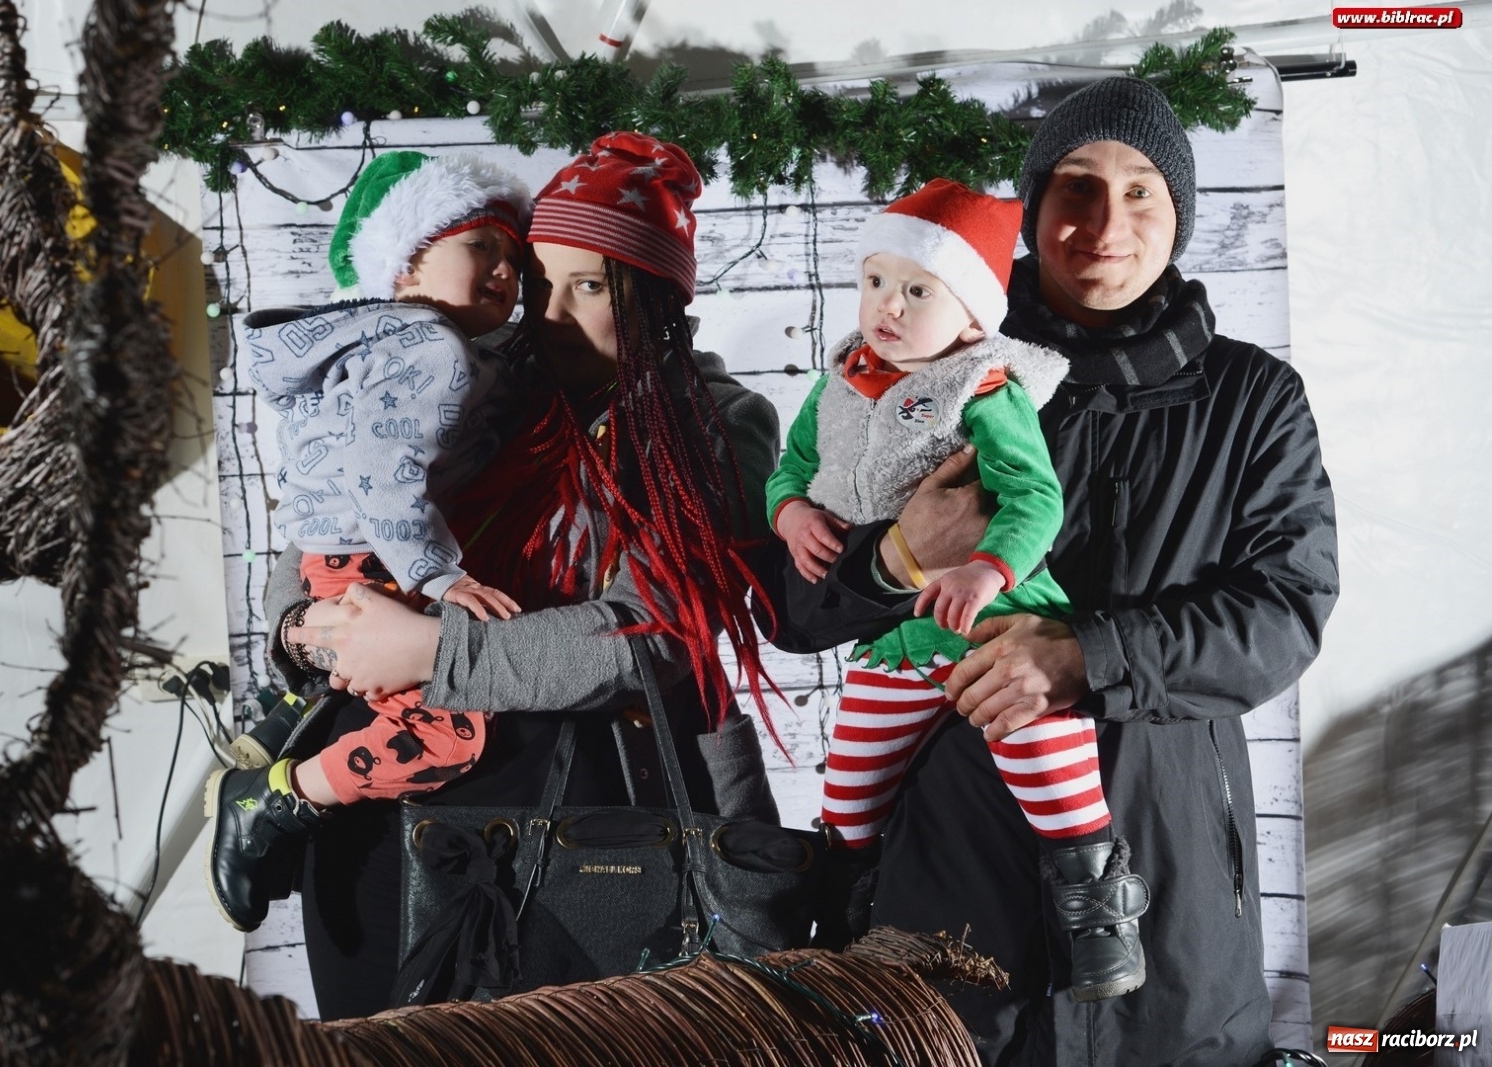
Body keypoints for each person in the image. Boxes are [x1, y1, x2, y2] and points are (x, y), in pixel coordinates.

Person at [760, 76, 1338, 1064]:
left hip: (1168, 870)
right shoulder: (914, 377)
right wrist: (899, 556)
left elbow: (1285, 609)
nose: (1105, 223)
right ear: (1033, 205)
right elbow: (790, 608)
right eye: (1075, 184)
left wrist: (1085, 653)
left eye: (1141, 189)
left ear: (1180, 211)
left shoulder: (1253, 399)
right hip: (948, 869)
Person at [263, 132, 784, 1020]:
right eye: (538, 280)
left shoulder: (715, 422)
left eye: (589, 284)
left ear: (657, 290)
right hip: (385, 805)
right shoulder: (472, 380)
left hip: (586, 823)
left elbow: (649, 636)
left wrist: (435, 650)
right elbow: (333, 517)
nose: (548, 312)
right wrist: (303, 629)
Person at [768, 180, 1141, 1000]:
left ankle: (1099, 913)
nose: (886, 307)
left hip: (994, 627)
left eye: (915, 290)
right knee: (850, 789)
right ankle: (847, 910)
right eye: (874, 282)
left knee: (1047, 753)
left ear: (972, 316)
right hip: (897, 639)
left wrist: (989, 568)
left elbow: (1034, 496)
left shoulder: (984, 385)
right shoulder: (837, 387)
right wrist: (793, 513)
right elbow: (793, 469)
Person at [204, 151, 533, 934]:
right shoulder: (431, 348)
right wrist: (439, 575)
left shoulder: (397, 340)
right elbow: (383, 473)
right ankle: (278, 803)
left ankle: (285, 721)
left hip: (347, 555)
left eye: (514, 258)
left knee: (369, 672)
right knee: (450, 731)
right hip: (373, 554)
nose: (502, 270)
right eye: (478, 246)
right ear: (409, 257)